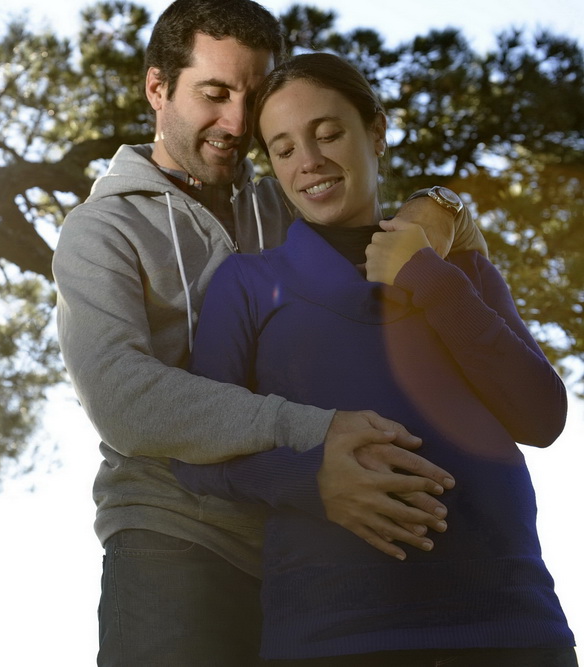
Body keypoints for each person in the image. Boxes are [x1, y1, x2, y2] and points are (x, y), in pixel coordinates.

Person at [53, 1, 487, 664]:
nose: (234, 122)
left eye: (251, 98)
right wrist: (315, 429)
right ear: (157, 88)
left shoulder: (288, 199)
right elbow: (124, 399)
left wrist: (444, 205)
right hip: (175, 541)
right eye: (213, 93)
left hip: (314, 544)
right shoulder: (100, 231)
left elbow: (393, 268)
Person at [173, 52, 577, 666]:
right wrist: (313, 481)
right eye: (283, 149)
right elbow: (197, 456)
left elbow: (540, 416)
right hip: (336, 633)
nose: (308, 161)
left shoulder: (449, 264)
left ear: (377, 132)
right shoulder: (248, 284)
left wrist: (428, 278)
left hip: (512, 625)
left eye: (328, 133)